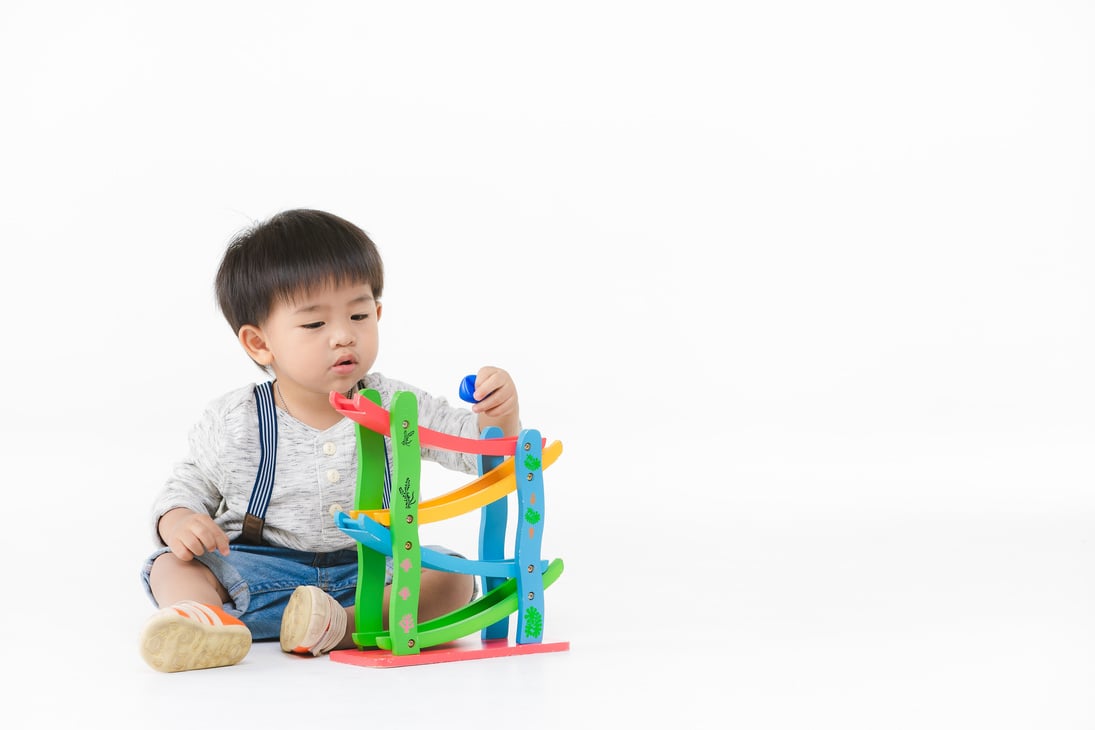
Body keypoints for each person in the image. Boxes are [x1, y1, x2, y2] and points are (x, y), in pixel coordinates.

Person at [139, 209, 520, 672]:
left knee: (450, 577)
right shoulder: (237, 419)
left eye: (359, 315)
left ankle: (334, 625)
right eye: (315, 325)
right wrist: (179, 521)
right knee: (169, 565)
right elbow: (188, 483)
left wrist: (498, 415)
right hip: (259, 572)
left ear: (377, 314)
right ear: (260, 343)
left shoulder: (395, 404)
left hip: (369, 574)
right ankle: (208, 623)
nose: (343, 335)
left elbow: (473, 451)